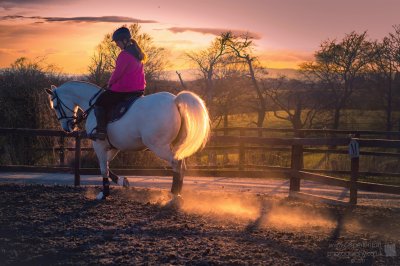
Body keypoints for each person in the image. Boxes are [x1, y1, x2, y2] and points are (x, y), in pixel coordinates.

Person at [92, 26, 147, 140]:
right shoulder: (138, 54)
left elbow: (117, 73)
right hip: (139, 90)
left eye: (117, 42)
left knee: (99, 102)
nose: (116, 44)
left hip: (125, 89)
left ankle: (101, 131)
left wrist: (110, 83)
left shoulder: (124, 55)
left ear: (124, 40)